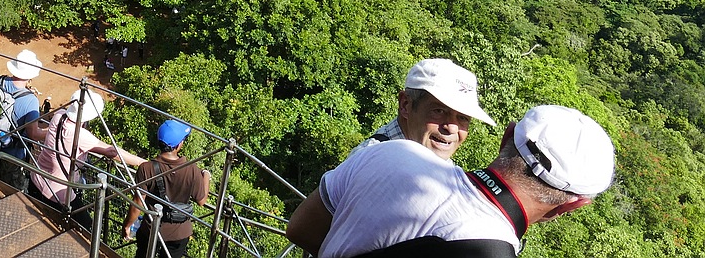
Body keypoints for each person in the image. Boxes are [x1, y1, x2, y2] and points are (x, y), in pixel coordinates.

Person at [286, 104, 615, 258]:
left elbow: (299, 229)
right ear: (572, 205)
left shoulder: (391, 152)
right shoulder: (492, 251)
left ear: (507, 136)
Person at [353, 58, 494, 162]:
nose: (452, 128)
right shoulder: (370, 163)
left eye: (463, 118)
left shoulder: (435, 160)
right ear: (405, 105)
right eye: (439, 111)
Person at [32, 88, 147, 211]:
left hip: (36, 179)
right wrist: (143, 163)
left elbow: (53, 132)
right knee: (85, 225)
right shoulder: (80, 135)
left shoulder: (58, 115)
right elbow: (112, 151)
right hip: (58, 194)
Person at [123, 119, 212, 257]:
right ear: (178, 145)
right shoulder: (192, 170)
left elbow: (137, 204)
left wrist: (127, 225)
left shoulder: (146, 168)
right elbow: (201, 200)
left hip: (151, 228)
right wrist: (205, 176)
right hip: (179, 232)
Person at [0, 49, 44, 192]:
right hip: (13, 154)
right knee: (14, 192)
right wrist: (54, 131)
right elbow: (34, 134)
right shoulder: (30, 100)